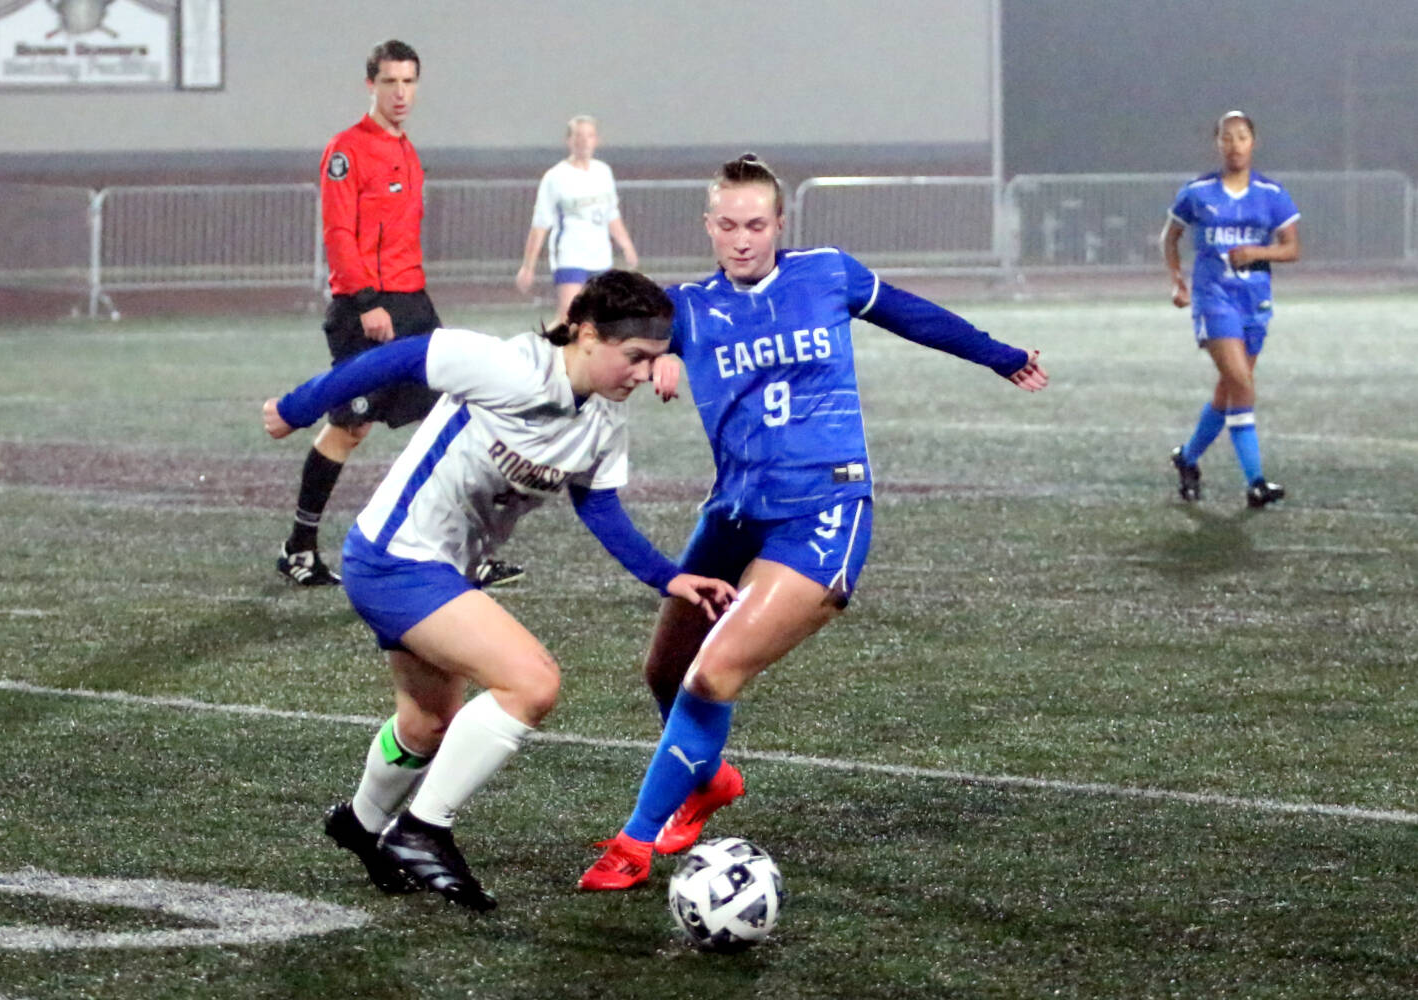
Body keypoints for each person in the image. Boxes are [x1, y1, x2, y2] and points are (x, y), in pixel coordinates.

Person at [577, 154, 1049, 890]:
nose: (742, 240)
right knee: (665, 671)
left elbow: (910, 313)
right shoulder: (689, 310)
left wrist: (1000, 356)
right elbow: (609, 338)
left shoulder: (825, 273)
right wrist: (654, 359)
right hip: (734, 514)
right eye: (727, 225)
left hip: (824, 509)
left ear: (780, 224)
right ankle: (706, 781)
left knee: (712, 674)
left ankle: (633, 843)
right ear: (708, 226)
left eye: (756, 224)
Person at [262, 269, 738, 911]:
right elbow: (400, 356)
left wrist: (669, 576)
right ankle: (424, 831)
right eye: (635, 357)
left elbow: (599, 509)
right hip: (395, 559)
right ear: (588, 335)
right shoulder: (510, 366)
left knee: (428, 723)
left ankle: (362, 823)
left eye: (656, 359)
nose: (646, 374)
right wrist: (295, 409)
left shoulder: (601, 422)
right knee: (531, 681)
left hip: (435, 570)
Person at [276, 38, 523, 589]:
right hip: (366, 307)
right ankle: (299, 547)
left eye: (409, 81)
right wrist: (367, 302)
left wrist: (406, 303)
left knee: (456, 420)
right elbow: (340, 232)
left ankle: (467, 553)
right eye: (390, 81)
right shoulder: (347, 150)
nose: (401, 92)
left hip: (414, 305)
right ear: (371, 85)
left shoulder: (408, 151)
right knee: (351, 427)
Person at [1161, 110, 1300, 508]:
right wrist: (1178, 281)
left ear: (1252, 142)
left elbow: (1292, 248)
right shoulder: (1198, 191)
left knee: (1229, 389)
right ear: (1217, 143)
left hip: (1254, 300)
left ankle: (1187, 458)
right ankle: (1256, 481)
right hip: (1213, 297)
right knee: (1240, 382)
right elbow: (1170, 237)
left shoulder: (1271, 194)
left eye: (1241, 136)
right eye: (1226, 137)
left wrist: (1257, 251)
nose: (1234, 144)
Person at [515, 115, 640, 325]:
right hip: (570, 254)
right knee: (569, 315)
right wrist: (528, 267)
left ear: (596, 140)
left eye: (589, 136)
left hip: (600, 256)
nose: (583, 141)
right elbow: (540, 225)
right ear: (569, 140)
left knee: (597, 316)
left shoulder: (603, 172)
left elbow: (611, 214)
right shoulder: (556, 177)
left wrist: (627, 245)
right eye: (578, 136)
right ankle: (546, 353)